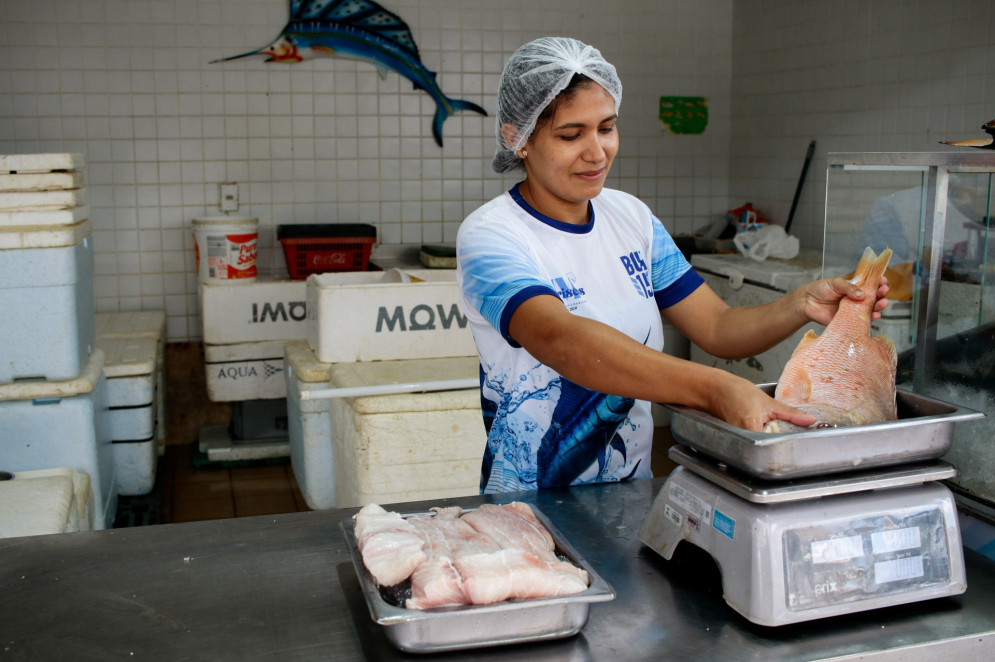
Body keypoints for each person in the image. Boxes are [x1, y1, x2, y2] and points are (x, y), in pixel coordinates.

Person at [456, 37, 889, 494]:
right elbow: (561, 340)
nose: (597, 151)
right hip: (529, 505)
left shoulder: (631, 218)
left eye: (607, 128)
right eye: (570, 134)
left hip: (630, 493)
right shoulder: (493, 235)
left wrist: (803, 302)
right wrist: (713, 388)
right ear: (516, 138)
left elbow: (718, 326)